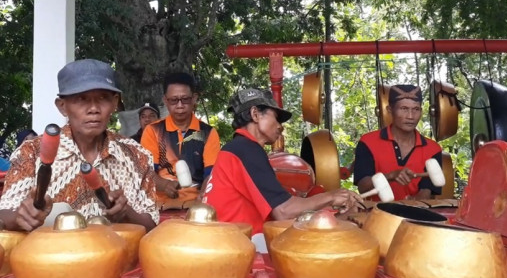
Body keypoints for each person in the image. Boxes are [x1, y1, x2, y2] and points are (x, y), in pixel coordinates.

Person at [0, 59, 158, 232]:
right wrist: (21, 216)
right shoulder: (31, 152)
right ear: (62, 106)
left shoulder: (137, 156)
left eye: (103, 98)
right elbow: (4, 216)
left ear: (114, 103)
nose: (93, 109)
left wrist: (126, 213)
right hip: (49, 257)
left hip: (118, 257)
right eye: (81, 99)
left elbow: (152, 227)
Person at [203, 88, 363, 235]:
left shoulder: (237, 148)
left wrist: (334, 214)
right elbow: (283, 211)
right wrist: (332, 196)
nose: (281, 127)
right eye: (276, 118)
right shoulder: (246, 149)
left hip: (230, 239)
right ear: (255, 114)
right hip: (237, 244)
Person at [141, 72, 220, 205]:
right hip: (159, 205)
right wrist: (163, 184)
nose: (179, 105)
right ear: (165, 100)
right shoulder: (152, 131)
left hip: (196, 204)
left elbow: (211, 174)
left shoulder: (208, 133)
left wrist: (204, 194)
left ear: (194, 98)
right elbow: (145, 171)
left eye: (185, 99)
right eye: (173, 100)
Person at [353, 84, 442, 201]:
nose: (410, 116)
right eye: (404, 109)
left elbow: (428, 190)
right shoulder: (368, 142)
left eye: (416, 109)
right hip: (375, 215)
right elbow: (363, 187)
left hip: (415, 215)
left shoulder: (433, 149)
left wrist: (416, 202)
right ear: (390, 110)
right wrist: (390, 176)